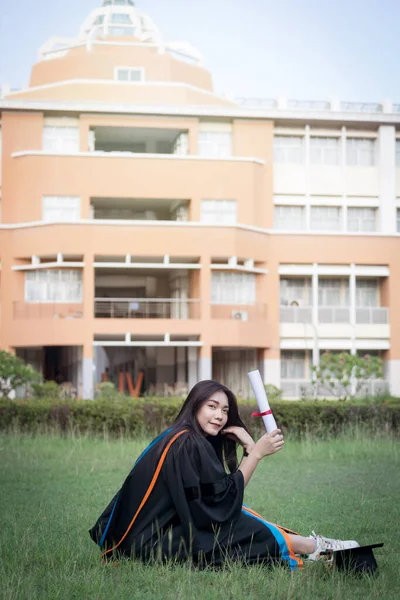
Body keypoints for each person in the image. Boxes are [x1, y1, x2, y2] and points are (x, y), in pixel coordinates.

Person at [89, 380, 359, 570]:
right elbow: (220, 507)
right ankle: (316, 548)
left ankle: (315, 547)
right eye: (212, 406)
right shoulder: (188, 443)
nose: (219, 416)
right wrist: (254, 454)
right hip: (152, 544)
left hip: (144, 538)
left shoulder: (178, 437)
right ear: (195, 405)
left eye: (225, 410)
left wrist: (250, 450)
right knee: (237, 528)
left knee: (242, 516)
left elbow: (220, 498)